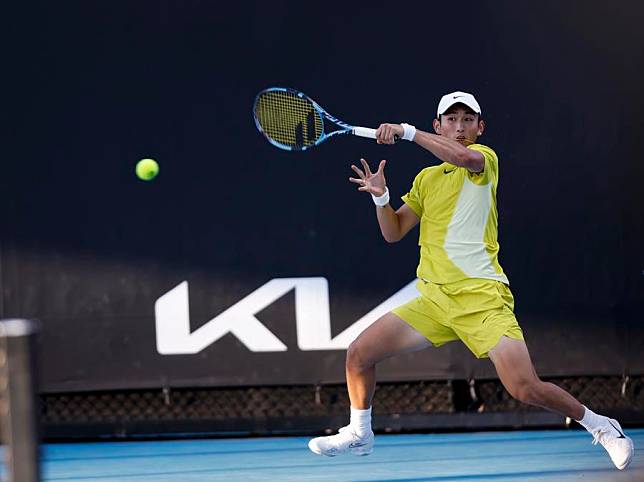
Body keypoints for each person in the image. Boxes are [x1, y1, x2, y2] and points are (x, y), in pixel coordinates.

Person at [307, 91, 634, 470]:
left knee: (523, 386)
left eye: (467, 120)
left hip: (482, 299)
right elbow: (394, 232)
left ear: (480, 128)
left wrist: (406, 132)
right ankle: (360, 433)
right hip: (434, 300)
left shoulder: (484, 161)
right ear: (438, 125)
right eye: (451, 119)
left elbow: (461, 156)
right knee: (359, 354)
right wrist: (381, 198)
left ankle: (601, 425)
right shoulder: (427, 179)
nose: (459, 128)